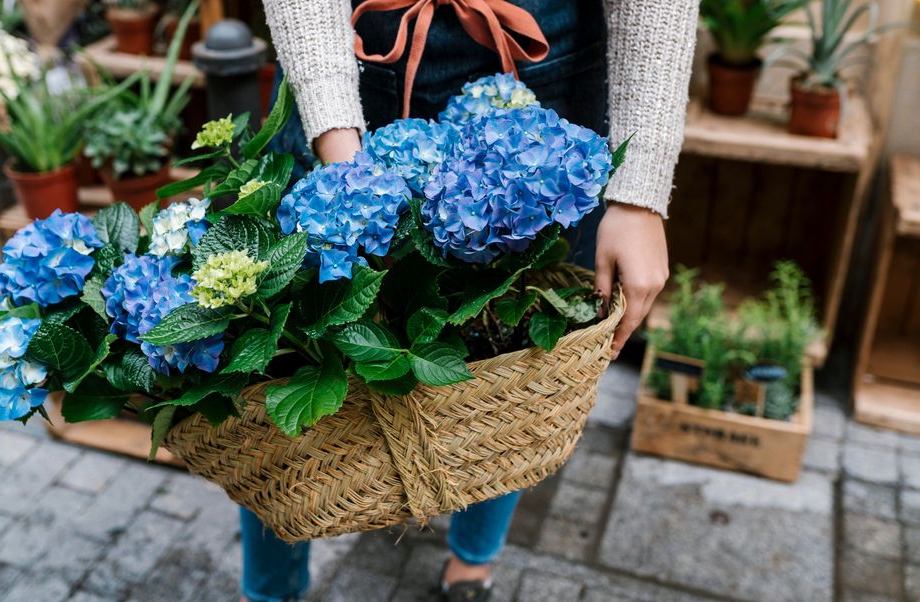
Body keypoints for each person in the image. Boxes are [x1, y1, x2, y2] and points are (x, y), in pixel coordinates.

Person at [240, 1, 698, 601]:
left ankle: (473, 565)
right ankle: (270, 591)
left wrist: (639, 188)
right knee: (281, 350)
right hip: (347, 51)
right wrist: (348, 178)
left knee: (516, 357)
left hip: (541, 66)